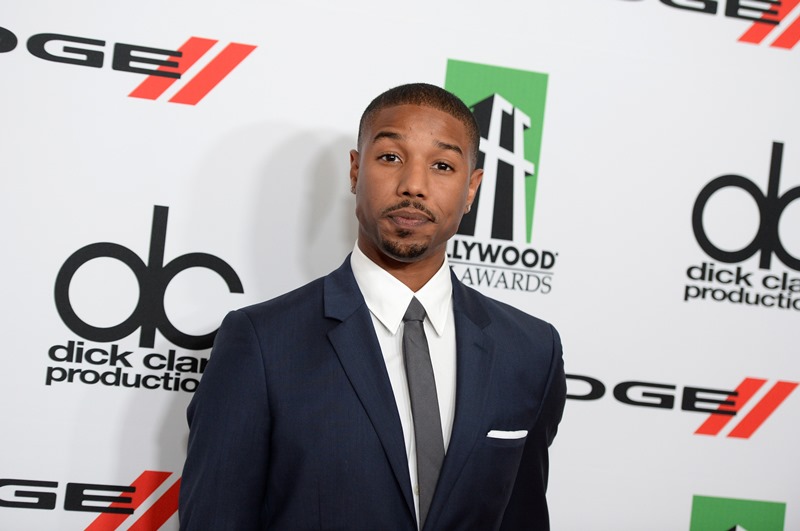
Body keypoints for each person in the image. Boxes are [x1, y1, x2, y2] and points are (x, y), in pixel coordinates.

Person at [179, 83, 566, 530]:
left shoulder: (530, 351)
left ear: (471, 189)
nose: (414, 186)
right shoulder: (262, 343)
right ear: (355, 170)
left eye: (442, 165)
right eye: (391, 157)